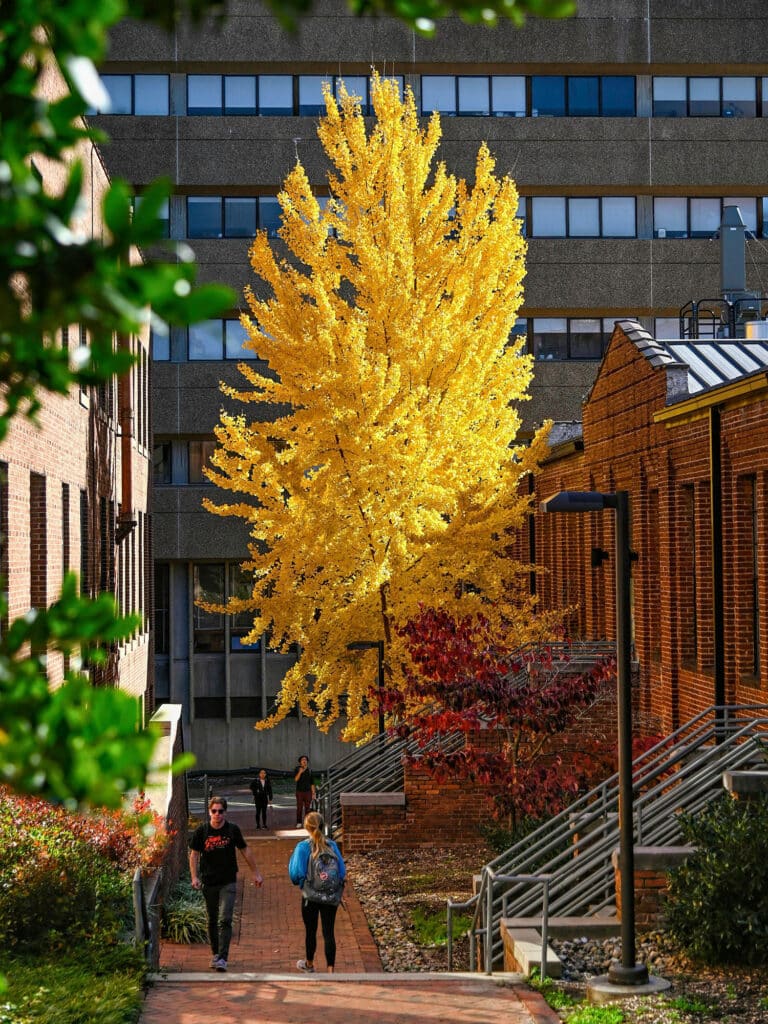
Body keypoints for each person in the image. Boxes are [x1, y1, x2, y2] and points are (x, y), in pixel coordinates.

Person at [189, 795, 264, 972]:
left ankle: (223, 957)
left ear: (225, 812)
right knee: (212, 920)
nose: (217, 814)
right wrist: (194, 877)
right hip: (209, 882)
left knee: (225, 919)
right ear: (209, 812)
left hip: (228, 881)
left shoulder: (232, 830)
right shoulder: (202, 831)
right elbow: (194, 855)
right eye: (214, 811)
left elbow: (245, 849)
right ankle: (215, 954)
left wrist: (256, 873)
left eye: (220, 811)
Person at [288, 810, 346, 974]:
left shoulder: (302, 847)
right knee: (329, 932)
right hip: (330, 895)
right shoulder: (332, 845)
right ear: (323, 825)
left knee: (310, 931)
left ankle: (310, 964)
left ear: (307, 827)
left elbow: (295, 874)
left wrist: (303, 884)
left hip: (310, 896)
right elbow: (341, 872)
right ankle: (330, 970)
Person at [294, 754, 315, 827]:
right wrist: (300, 772)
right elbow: (296, 779)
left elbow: (312, 783)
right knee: (299, 808)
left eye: (305, 760)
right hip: (299, 792)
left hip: (308, 792)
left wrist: (313, 793)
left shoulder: (310, 770)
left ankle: (307, 823)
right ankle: (299, 822)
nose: (304, 761)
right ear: (300, 762)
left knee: (307, 808)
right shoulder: (297, 769)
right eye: (302, 760)